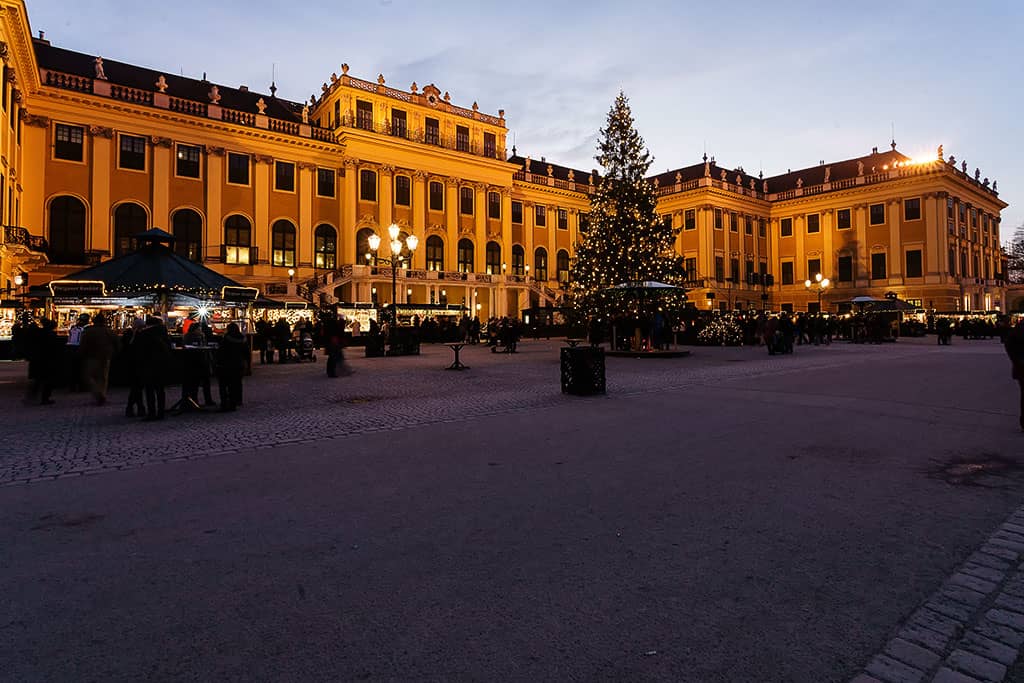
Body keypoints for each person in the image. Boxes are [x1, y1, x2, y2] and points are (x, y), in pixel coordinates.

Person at [135, 315, 172, 420]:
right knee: (160, 390)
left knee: (150, 390)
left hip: (149, 365)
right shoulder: (164, 334)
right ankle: (161, 412)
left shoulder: (144, 334)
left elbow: (140, 351)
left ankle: (151, 413)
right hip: (161, 365)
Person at [79, 313, 119, 406]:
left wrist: (81, 354)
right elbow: (117, 343)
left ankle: (97, 393)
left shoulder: (88, 331)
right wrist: (114, 353)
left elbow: (83, 344)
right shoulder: (109, 331)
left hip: (91, 356)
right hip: (105, 356)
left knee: (89, 376)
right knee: (103, 377)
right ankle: (102, 394)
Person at [27, 318, 61, 405]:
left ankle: (32, 396)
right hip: (47, 360)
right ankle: (44, 398)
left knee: (38, 379)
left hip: (38, 359)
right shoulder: (51, 335)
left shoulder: (38, 333)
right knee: (48, 380)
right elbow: (54, 348)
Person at [215, 322, 247, 411]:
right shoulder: (243, 339)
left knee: (224, 385)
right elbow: (246, 353)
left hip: (226, 365)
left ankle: (224, 403)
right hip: (238, 364)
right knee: (236, 384)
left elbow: (221, 352)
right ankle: (235, 402)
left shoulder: (226, 339)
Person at [122, 318, 146, 417]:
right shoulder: (133, 335)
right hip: (134, 364)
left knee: (136, 387)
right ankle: (137, 408)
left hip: (134, 363)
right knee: (137, 387)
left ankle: (135, 408)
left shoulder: (132, 334)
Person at [1005, 319, 1024, 432]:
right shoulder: (1019, 329)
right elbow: (1009, 345)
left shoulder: (1018, 328)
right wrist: (1018, 360)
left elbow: (1009, 344)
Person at [66, 313, 89, 391]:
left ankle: (72, 386)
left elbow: (69, 337)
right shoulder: (85, 329)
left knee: (72, 368)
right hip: (79, 348)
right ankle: (81, 386)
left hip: (71, 348)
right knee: (81, 368)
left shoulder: (73, 327)